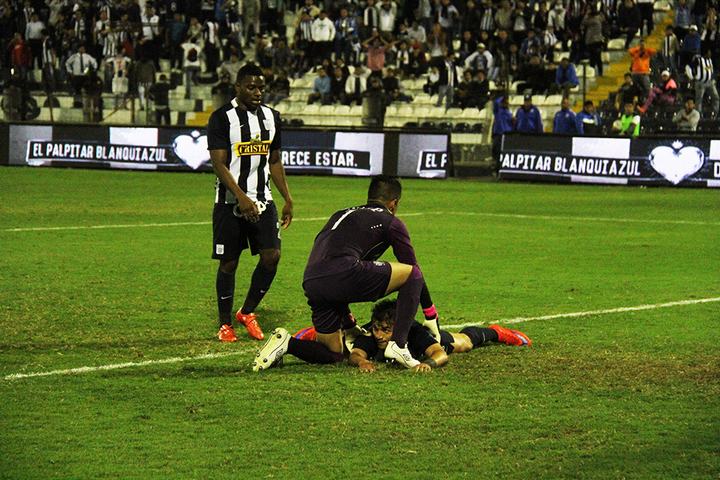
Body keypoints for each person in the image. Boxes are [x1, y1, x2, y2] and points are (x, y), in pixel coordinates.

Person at [252, 175, 443, 371]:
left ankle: (287, 343)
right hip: (342, 273)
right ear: (394, 203)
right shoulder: (390, 222)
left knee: (334, 353)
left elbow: (335, 272)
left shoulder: (340, 214)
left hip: (312, 280)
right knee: (412, 274)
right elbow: (414, 272)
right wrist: (430, 315)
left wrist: (348, 323)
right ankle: (399, 345)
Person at [206, 63, 294, 343]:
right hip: (229, 203)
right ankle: (225, 324)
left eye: (261, 88)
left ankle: (246, 312)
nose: (257, 92)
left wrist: (287, 198)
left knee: (272, 256)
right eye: (251, 87)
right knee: (229, 263)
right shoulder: (221, 118)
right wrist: (241, 197)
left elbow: (274, 160)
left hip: (263, 200)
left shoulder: (271, 117)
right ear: (238, 88)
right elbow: (219, 164)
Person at [349, 299, 531, 372]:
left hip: (435, 340)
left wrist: (427, 364)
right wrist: (362, 362)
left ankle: (497, 332)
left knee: (464, 343)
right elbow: (355, 354)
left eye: (386, 330)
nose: (379, 335)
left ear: (401, 329)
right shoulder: (372, 332)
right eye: (376, 329)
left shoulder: (415, 333)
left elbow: (440, 354)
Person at [685, 50, 719, 118]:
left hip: (710, 82)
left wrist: (713, 78)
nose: (710, 54)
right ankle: (698, 116)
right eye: (709, 53)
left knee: (716, 97)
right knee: (699, 100)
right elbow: (688, 67)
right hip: (700, 82)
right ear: (705, 54)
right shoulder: (698, 60)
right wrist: (691, 77)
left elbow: (711, 70)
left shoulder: (710, 60)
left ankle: (715, 113)